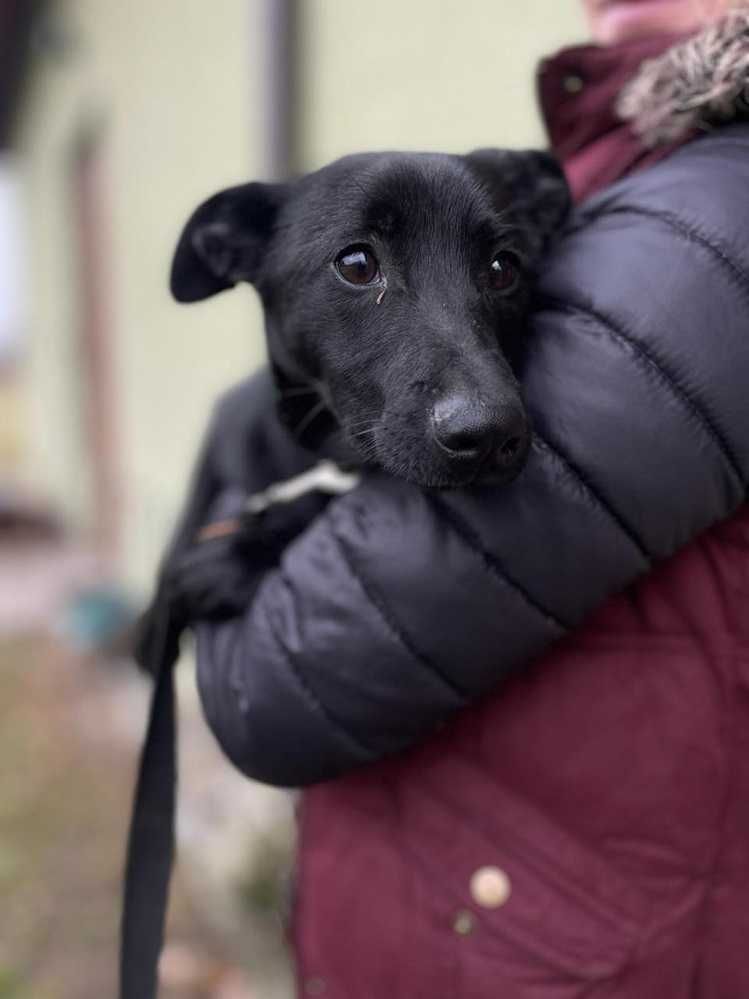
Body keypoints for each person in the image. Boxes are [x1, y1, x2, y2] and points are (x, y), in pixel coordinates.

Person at [167, 2, 749, 995]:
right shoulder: (612, 167)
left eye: (493, 268)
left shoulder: (708, 199)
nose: (481, 401)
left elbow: (267, 693)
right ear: (239, 254)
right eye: (361, 265)